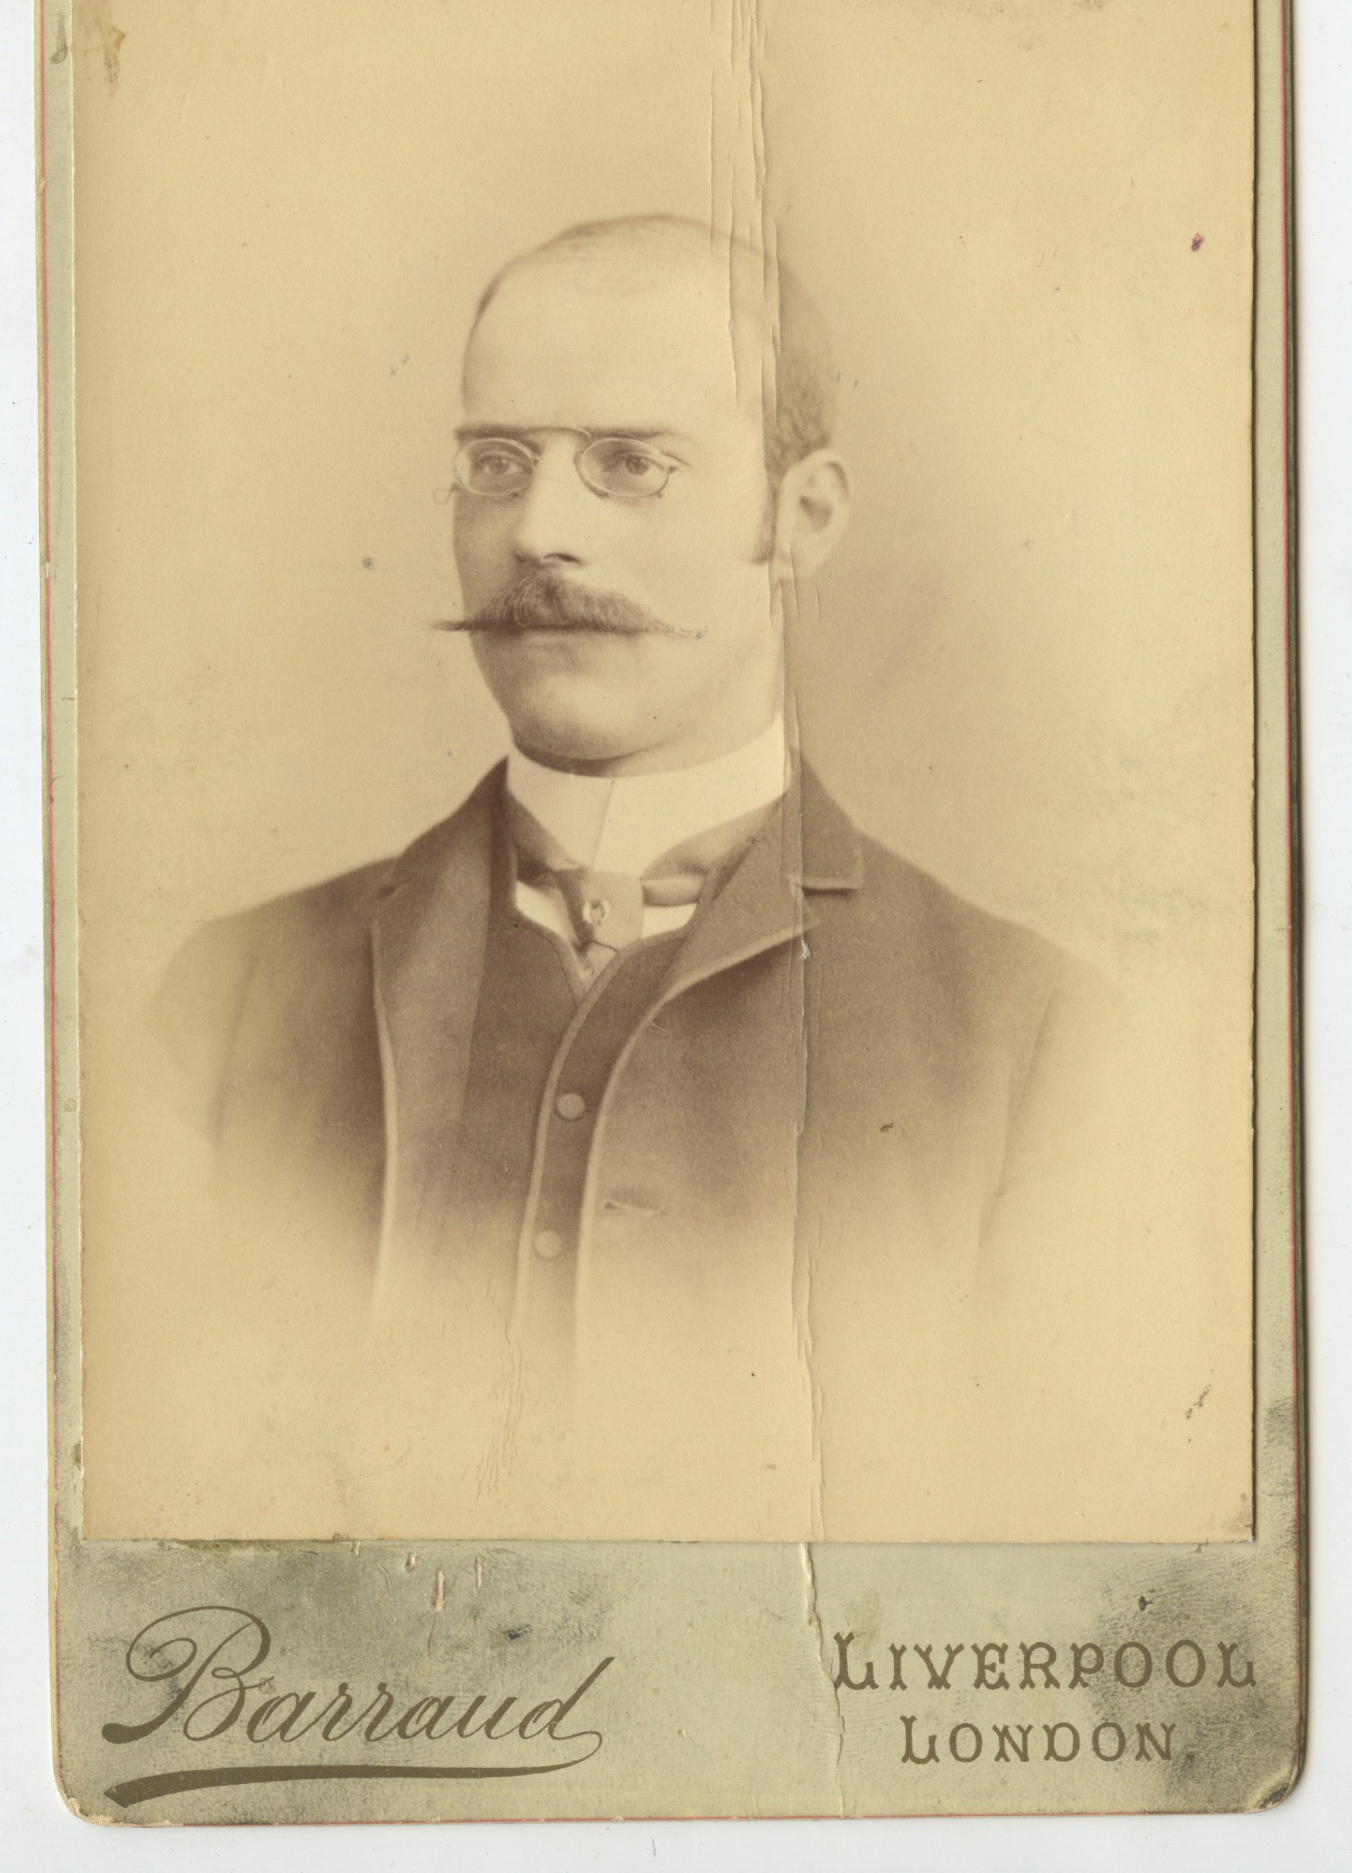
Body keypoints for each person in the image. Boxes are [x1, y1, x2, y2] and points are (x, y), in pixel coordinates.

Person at [143, 215, 1144, 1540]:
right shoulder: (226, 1000)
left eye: (630, 464)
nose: (538, 532)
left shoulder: (1041, 1040)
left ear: (801, 520)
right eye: (496, 464)